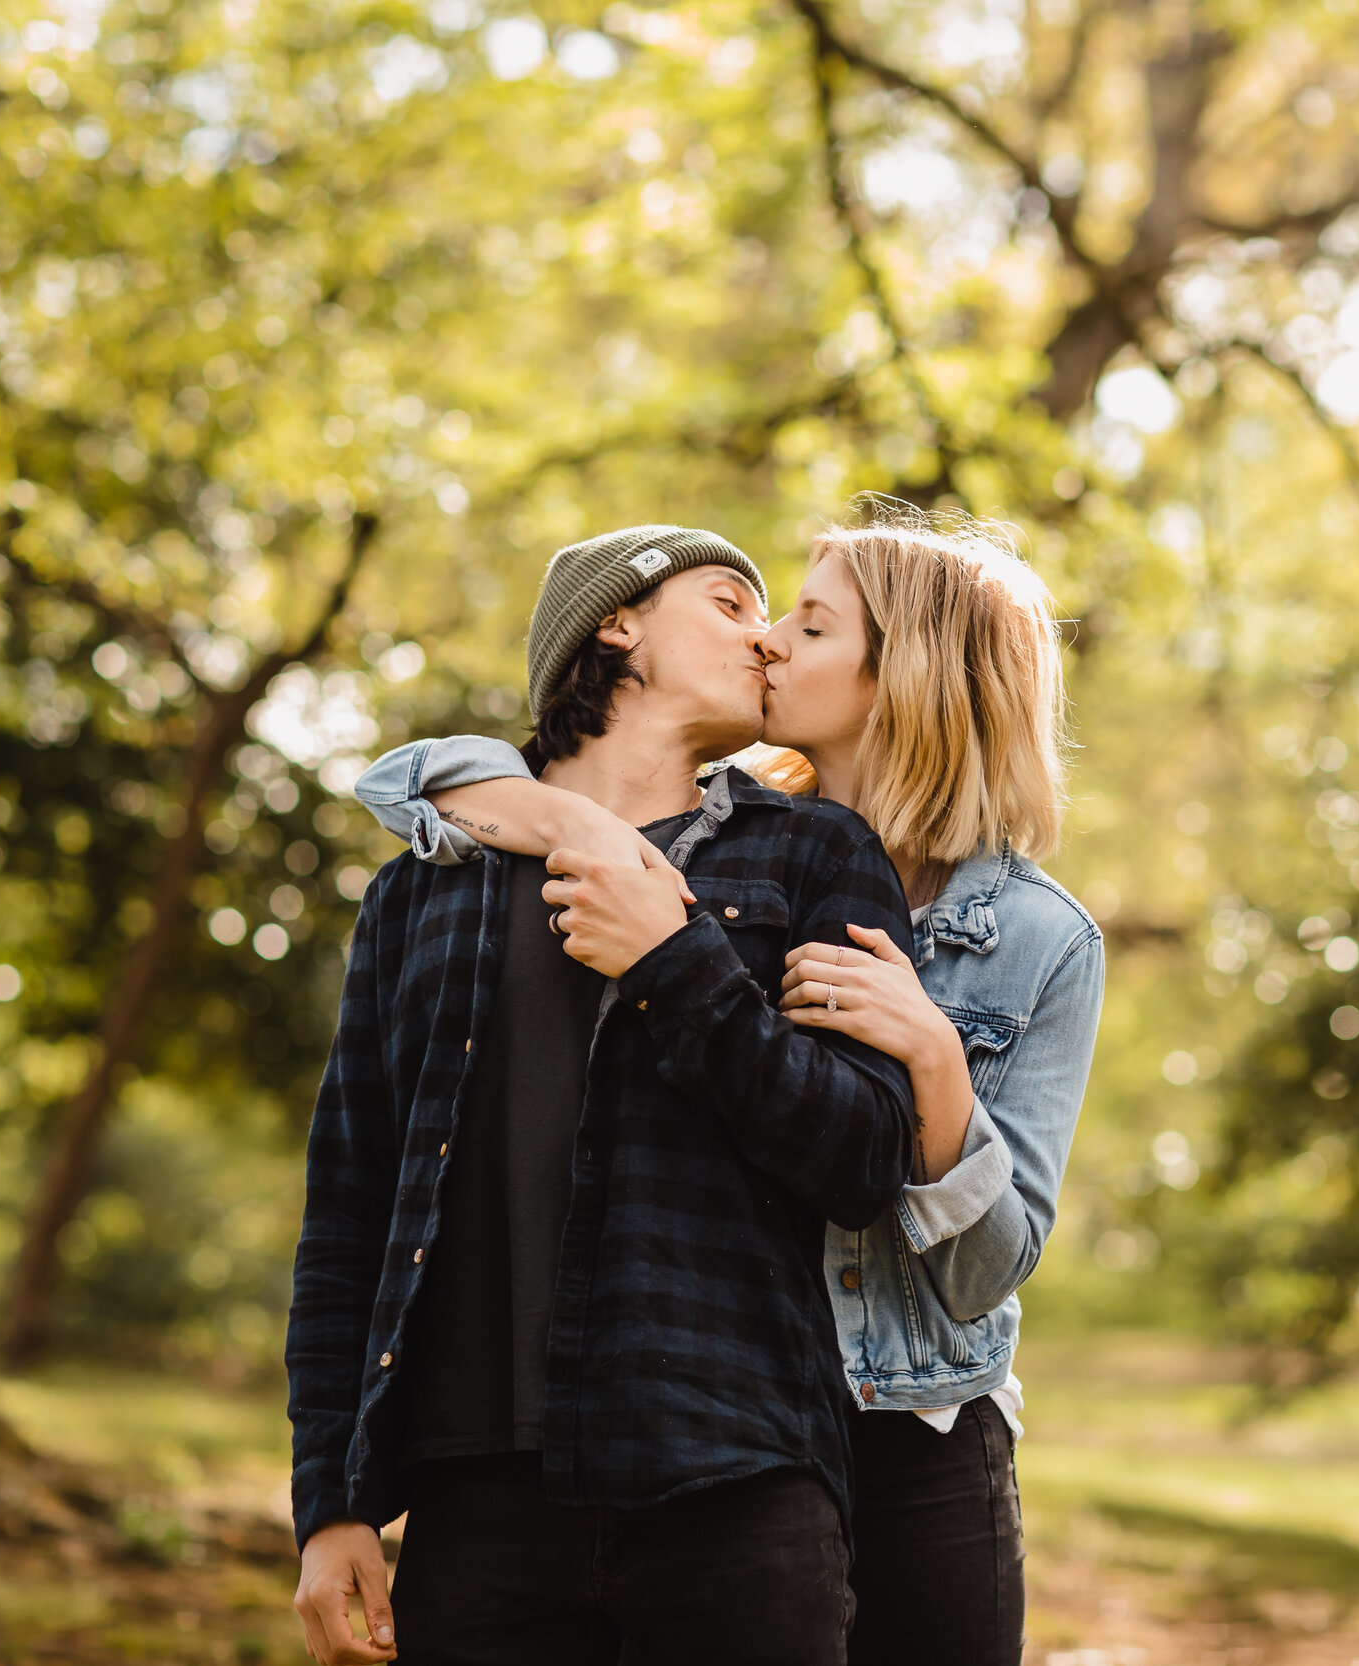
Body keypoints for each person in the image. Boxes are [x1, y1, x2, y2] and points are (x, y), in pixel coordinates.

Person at [357, 508, 1105, 1666]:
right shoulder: (716, 841)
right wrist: (563, 817)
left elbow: (985, 1270)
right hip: (707, 1413)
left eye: (806, 626)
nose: (768, 644)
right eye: (756, 617)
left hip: (906, 1423)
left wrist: (940, 1070)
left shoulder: (1032, 937)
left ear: (902, 668)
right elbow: (420, 782)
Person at [286, 525, 921, 1666]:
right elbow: (349, 1203)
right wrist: (331, 1502)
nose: (769, 642)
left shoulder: (815, 856)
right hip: (474, 1504)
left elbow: (862, 1159)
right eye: (732, 604)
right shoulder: (422, 894)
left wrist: (675, 958)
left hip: (737, 1487)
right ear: (615, 622)